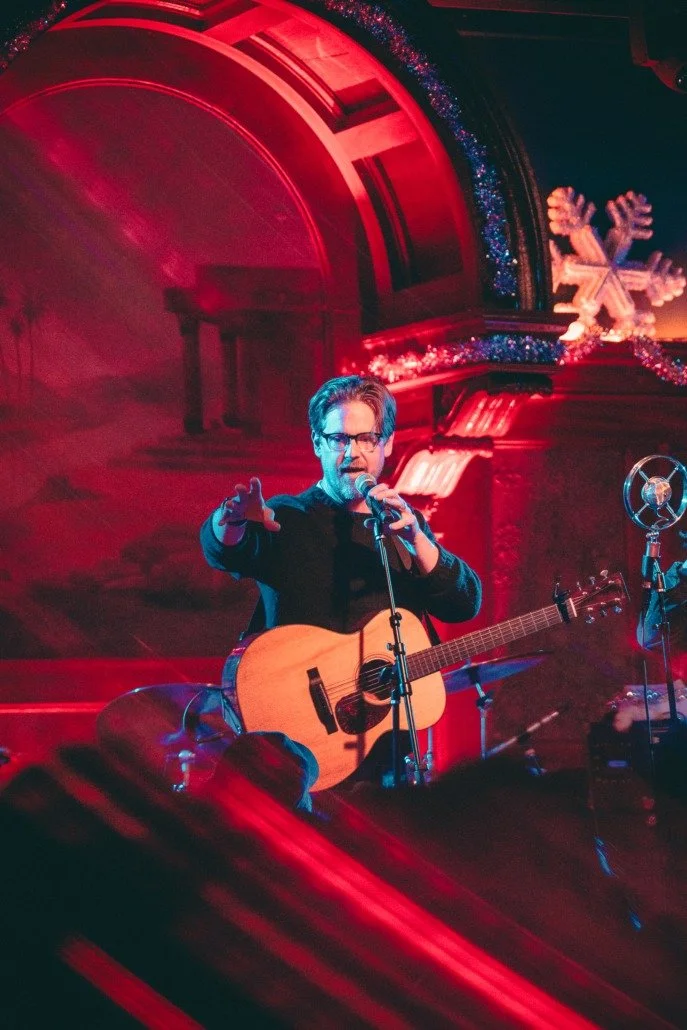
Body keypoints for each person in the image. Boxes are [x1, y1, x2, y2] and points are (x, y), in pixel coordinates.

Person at [200, 374, 482, 805]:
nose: (352, 453)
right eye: (338, 439)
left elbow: (465, 604)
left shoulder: (403, 526)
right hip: (302, 752)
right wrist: (231, 519)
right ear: (318, 444)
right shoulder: (287, 517)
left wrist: (417, 541)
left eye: (366, 439)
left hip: (386, 755)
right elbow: (226, 551)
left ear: (386, 444)